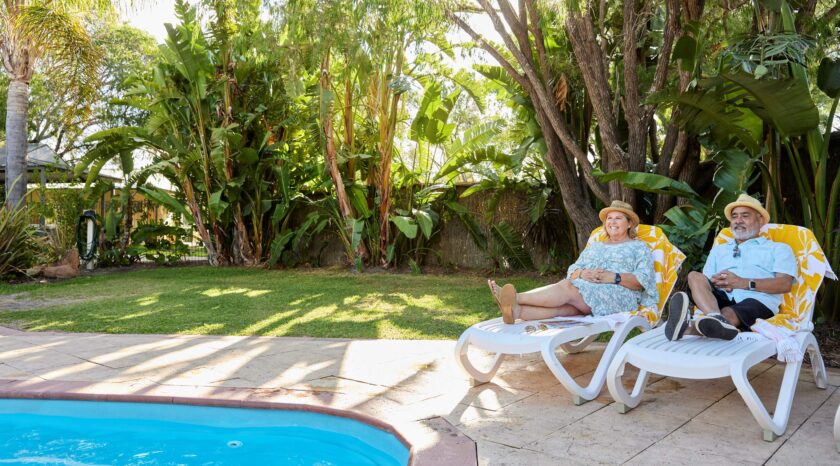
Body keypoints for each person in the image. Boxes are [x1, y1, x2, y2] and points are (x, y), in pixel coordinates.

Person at [488, 200, 658, 324]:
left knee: (567, 287)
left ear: (629, 224)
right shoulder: (595, 246)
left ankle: (514, 297)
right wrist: (583, 273)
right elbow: (574, 269)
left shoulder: (639, 247)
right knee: (567, 308)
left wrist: (613, 277)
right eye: (609, 218)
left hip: (619, 295)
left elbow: (642, 281)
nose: (612, 222)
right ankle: (517, 311)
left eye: (618, 218)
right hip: (588, 292)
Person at [664, 194, 797, 341]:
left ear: (760, 220)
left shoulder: (778, 249)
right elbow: (705, 283)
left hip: (758, 301)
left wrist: (743, 283)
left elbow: (784, 284)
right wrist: (715, 281)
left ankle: (688, 328)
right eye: (734, 216)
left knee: (729, 313)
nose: (738, 220)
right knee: (694, 276)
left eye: (745, 216)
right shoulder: (719, 250)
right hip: (719, 298)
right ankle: (715, 318)